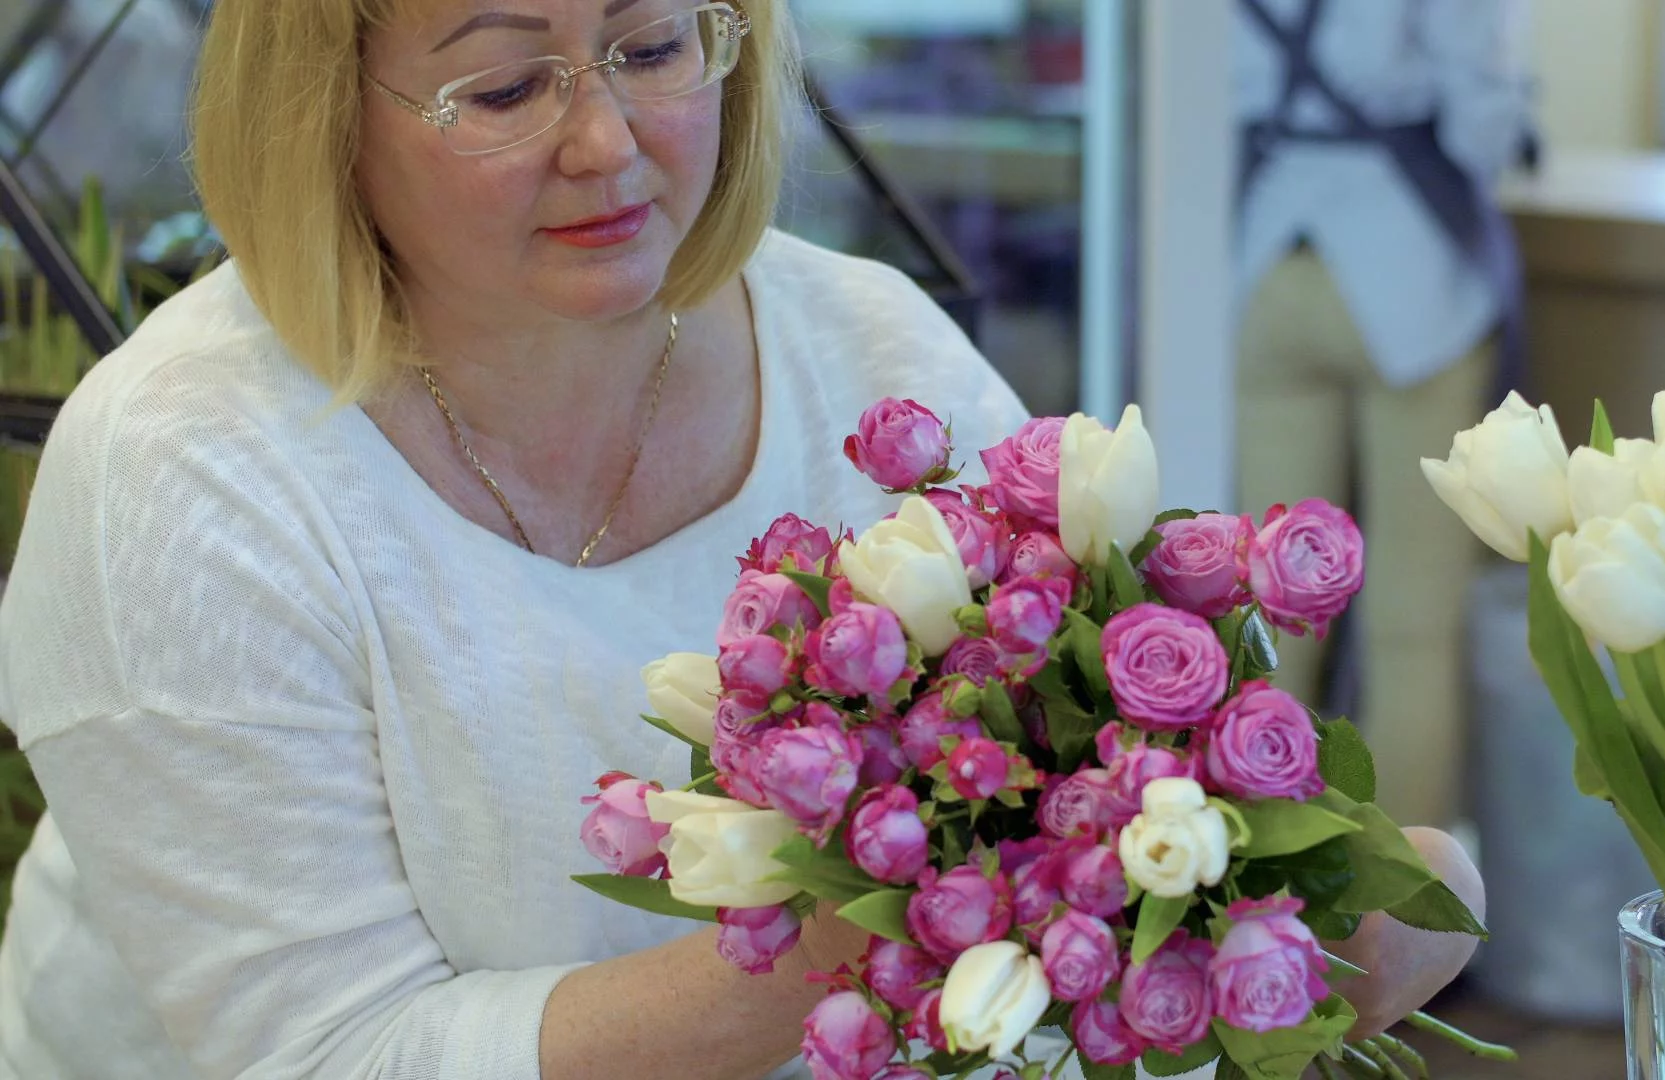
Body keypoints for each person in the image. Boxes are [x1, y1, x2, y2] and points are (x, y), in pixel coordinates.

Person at [0, 2, 1482, 1077]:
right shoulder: (186, 471)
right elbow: (326, 1058)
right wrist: (873, 940)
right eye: (507, 88)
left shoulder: (866, 348)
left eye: (652, 48)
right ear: (323, 114)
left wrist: (1254, 918)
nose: (606, 139)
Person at [1231, 0, 1533, 832]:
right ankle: (1404, 912)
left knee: (1269, 613)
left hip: (1266, 255)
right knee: (1413, 630)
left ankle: (1257, 885)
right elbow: (1488, 113)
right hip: (1409, 273)